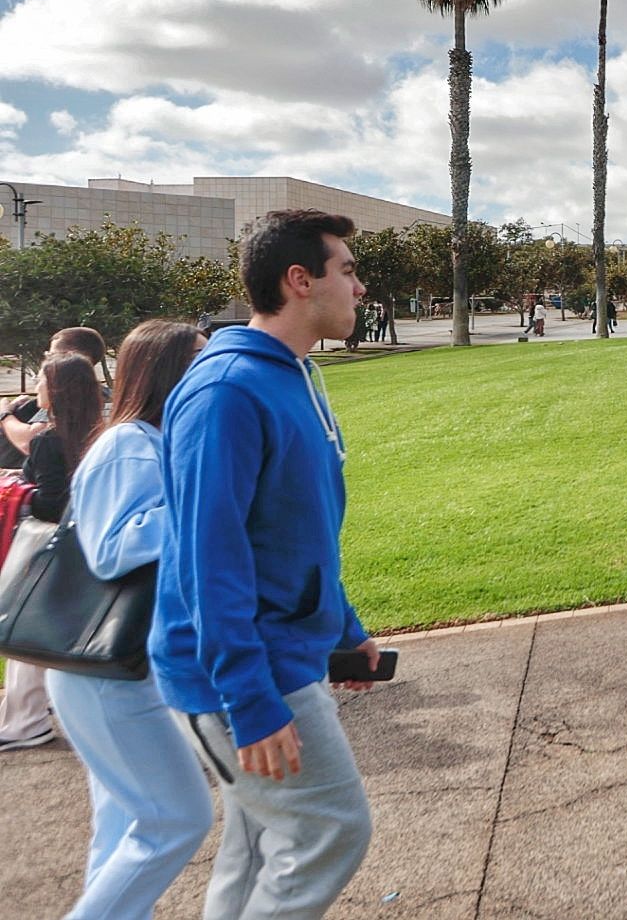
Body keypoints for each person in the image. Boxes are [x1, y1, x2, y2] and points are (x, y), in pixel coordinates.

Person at [151, 209, 382, 917]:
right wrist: (250, 702)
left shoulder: (292, 373)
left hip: (284, 648)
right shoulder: (226, 392)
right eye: (346, 270)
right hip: (248, 671)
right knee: (330, 831)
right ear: (299, 280)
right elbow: (207, 559)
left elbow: (299, 530)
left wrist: (344, 627)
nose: (360, 287)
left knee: (256, 845)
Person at [45, 321, 214, 918]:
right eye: (199, 358)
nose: (211, 368)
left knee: (123, 824)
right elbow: (113, 547)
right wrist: (208, 507)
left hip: (116, 667)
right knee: (178, 817)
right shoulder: (129, 443)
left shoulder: (152, 439)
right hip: (103, 669)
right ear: (166, 371)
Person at [0, 351, 103, 753]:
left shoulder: (47, 438)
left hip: (46, 551)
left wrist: (14, 490)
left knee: (27, 635)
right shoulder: (97, 430)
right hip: (86, 546)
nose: (37, 387)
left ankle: (24, 721)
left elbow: (51, 502)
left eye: (42, 380)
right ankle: (28, 718)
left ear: (55, 389)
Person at [1, 326, 107, 470]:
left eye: (51, 355)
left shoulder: (65, 397)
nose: (48, 360)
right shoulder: (103, 395)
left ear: (69, 356)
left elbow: (28, 442)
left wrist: (5, 414)